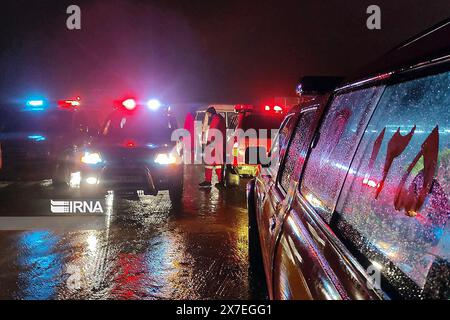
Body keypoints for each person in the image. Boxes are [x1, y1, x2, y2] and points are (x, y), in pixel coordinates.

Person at [199, 107, 226, 189]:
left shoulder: (216, 119)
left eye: (208, 114)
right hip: (219, 145)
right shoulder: (220, 118)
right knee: (218, 164)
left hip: (214, 145)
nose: (208, 116)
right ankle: (220, 181)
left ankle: (208, 181)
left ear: (210, 113)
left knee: (209, 163)